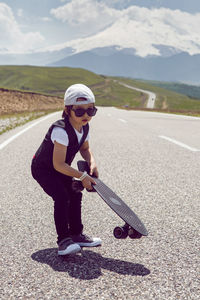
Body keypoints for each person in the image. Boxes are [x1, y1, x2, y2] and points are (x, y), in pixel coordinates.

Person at [31, 83, 102, 255]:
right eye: (79, 111)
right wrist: (82, 176)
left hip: (61, 168)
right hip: (44, 169)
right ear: (68, 109)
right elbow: (58, 165)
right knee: (62, 197)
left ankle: (76, 234)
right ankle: (63, 241)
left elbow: (85, 149)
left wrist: (91, 162)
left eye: (90, 110)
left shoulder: (84, 127)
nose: (85, 115)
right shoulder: (61, 130)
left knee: (75, 192)